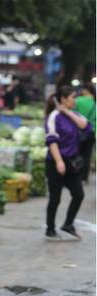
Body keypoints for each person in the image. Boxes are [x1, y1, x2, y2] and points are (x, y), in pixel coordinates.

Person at [44, 85, 92, 240]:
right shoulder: (53, 117)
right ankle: (50, 228)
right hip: (55, 161)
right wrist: (59, 161)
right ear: (63, 99)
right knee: (55, 198)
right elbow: (52, 141)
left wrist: (67, 112)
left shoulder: (73, 114)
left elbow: (86, 127)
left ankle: (68, 224)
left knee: (79, 194)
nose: (75, 100)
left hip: (72, 163)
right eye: (72, 97)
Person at [74, 83, 96, 183]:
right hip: (92, 131)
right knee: (87, 155)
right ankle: (84, 178)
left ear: (86, 90)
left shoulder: (78, 100)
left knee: (78, 153)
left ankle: (76, 175)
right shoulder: (95, 102)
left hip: (79, 131)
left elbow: (72, 113)